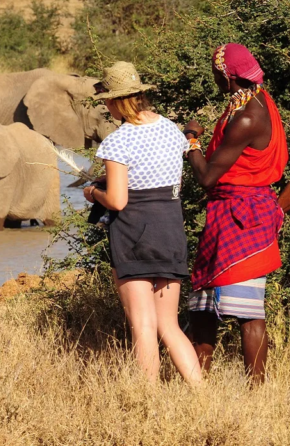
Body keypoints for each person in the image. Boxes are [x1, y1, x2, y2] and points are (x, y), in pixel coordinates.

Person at [84, 61, 202, 385]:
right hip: (170, 230)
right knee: (170, 325)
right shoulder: (171, 130)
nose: (106, 106)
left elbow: (119, 200)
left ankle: (147, 401)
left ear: (115, 101)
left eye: (107, 99)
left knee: (143, 325)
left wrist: (94, 192)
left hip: (134, 234)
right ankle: (203, 396)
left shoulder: (118, 141)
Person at [183, 43, 289, 384]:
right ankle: (197, 385)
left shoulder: (246, 117)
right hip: (238, 214)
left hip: (241, 219)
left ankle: (256, 390)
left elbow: (207, 177)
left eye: (217, 73)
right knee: (203, 306)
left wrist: (192, 141)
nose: (214, 78)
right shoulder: (260, 101)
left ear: (229, 77)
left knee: (248, 313)